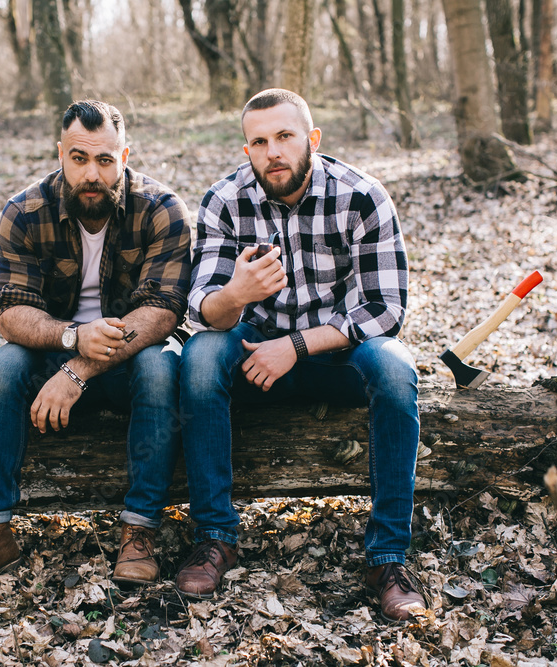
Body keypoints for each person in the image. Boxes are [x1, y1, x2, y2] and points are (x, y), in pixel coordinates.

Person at [177, 89, 426, 622]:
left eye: (285, 137)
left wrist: (295, 346)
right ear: (247, 149)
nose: (273, 152)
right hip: (252, 354)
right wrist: (236, 294)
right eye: (260, 142)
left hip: (338, 356)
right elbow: (202, 312)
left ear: (312, 139)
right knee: (197, 359)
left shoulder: (362, 196)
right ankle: (215, 537)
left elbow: (385, 311)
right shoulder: (224, 201)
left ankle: (387, 558)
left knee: (397, 369)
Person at [0, 100, 191, 592]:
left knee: (162, 368)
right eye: (79, 158)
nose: (91, 174)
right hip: (54, 352)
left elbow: (162, 313)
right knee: (3, 366)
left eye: (105, 160)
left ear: (125, 154)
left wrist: (78, 371)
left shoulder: (163, 210)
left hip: (130, 358)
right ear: (61, 153)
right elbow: (11, 310)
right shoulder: (25, 211)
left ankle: (138, 531)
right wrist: (72, 340)